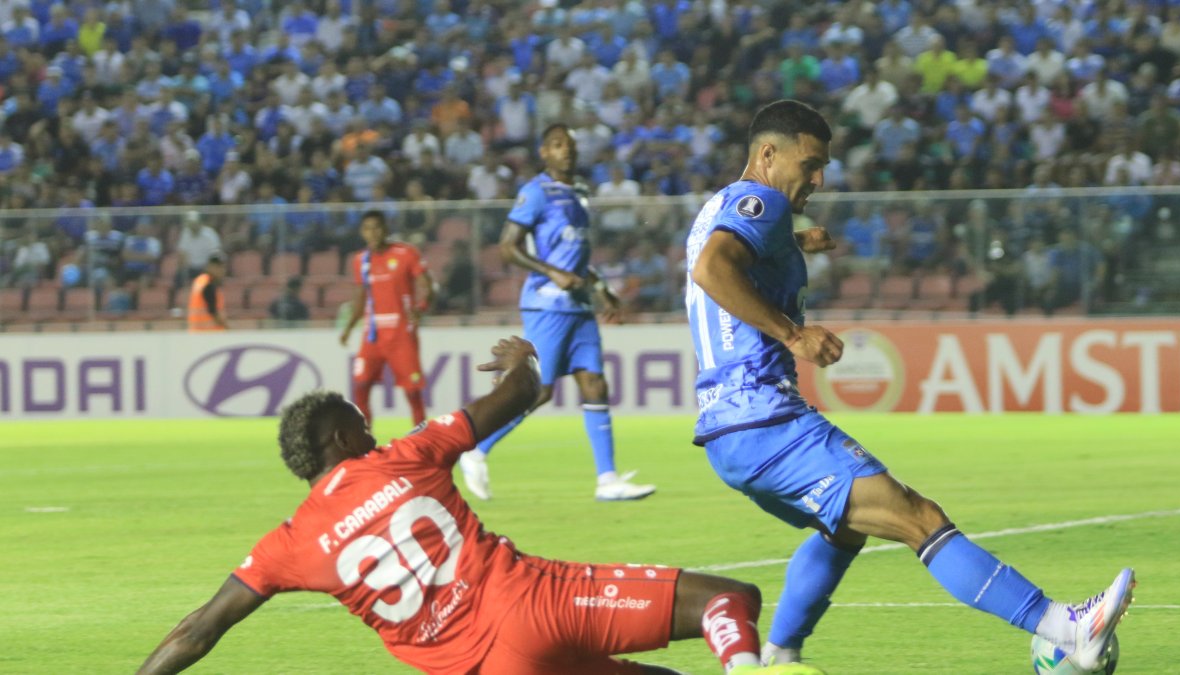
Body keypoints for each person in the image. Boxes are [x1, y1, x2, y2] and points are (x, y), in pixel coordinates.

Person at [683, 100, 1133, 672]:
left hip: (731, 428)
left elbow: (721, 258)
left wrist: (794, 245)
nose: (819, 178)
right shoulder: (763, 202)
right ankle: (1066, 627)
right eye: (811, 163)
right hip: (764, 417)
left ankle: (778, 655)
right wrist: (792, 334)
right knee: (919, 517)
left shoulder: (721, 206)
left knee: (840, 532)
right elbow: (712, 270)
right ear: (767, 155)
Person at [136, 337, 820, 675]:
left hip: (479, 668)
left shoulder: (289, 543)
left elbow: (198, 630)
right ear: (342, 440)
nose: (371, 429)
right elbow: (519, 391)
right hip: (530, 605)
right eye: (360, 423)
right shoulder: (402, 455)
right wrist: (522, 356)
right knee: (731, 601)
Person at [457, 124, 654, 503]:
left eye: (571, 144)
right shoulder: (534, 192)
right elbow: (507, 247)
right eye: (558, 145)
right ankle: (477, 449)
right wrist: (552, 273)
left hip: (579, 306)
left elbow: (576, 258)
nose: (567, 151)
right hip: (547, 304)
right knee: (540, 389)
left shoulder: (579, 190)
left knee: (595, 385)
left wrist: (601, 289)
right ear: (544, 153)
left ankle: (608, 479)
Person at [338, 210, 435, 429]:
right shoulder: (360, 260)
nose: (372, 233)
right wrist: (349, 328)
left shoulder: (406, 254)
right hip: (373, 335)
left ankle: (421, 440)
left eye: (377, 227)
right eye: (367, 228)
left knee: (412, 391)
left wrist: (421, 307)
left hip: (401, 334)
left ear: (386, 229)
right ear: (362, 232)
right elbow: (361, 298)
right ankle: (365, 442)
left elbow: (427, 285)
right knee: (361, 386)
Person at [187, 253, 227, 332]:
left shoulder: (200, 281)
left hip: (196, 333)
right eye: (217, 266)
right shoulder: (209, 285)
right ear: (209, 267)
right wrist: (229, 329)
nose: (221, 270)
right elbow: (214, 313)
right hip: (209, 335)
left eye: (221, 266)